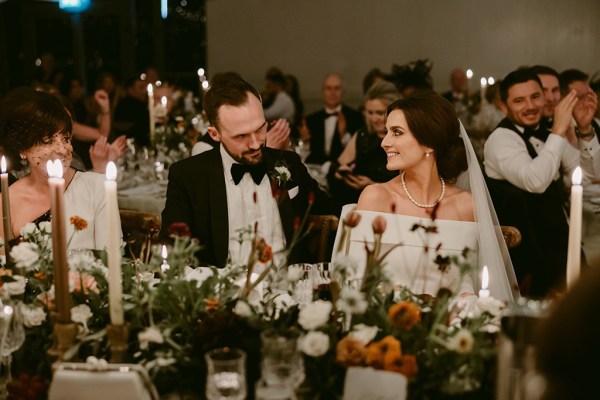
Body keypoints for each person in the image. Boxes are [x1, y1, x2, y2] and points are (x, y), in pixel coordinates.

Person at [333, 91, 518, 302]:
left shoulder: (465, 205)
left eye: (397, 132)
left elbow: (465, 279)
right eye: (386, 132)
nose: (384, 142)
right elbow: (356, 281)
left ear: (429, 143)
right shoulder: (377, 197)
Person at [160, 74, 338, 268]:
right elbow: (172, 250)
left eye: (260, 129)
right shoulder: (188, 176)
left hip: (286, 288)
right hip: (222, 291)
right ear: (214, 134)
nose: (256, 143)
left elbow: (331, 210)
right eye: (241, 136)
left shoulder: (287, 164)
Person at [483, 68, 585, 298]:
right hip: (531, 260)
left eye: (535, 97)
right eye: (519, 100)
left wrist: (585, 131)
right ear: (503, 106)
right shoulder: (500, 140)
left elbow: (585, 172)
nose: (530, 106)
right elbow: (535, 181)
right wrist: (559, 130)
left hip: (562, 243)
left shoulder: (546, 133)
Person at [0, 88, 115, 250]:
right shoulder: (6, 202)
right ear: (23, 150)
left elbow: (111, 259)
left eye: (66, 139)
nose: (62, 149)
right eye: (48, 141)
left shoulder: (97, 187)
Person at [327, 81, 401, 207]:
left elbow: (405, 187)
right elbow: (335, 166)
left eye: (379, 112)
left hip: (388, 204)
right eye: (370, 113)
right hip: (355, 199)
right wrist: (340, 172)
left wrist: (372, 184)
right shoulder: (363, 134)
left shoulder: (401, 138)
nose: (374, 119)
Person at [300, 73, 364, 165]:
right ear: (323, 91)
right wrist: (304, 140)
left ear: (343, 92)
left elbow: (359, 151)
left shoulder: (356, 117)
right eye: (328, 88)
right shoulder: (311, 120)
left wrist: (343, 135)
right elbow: (307, 152)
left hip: (342, 169)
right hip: (315, 170)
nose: (332, 93)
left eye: (337, 88)